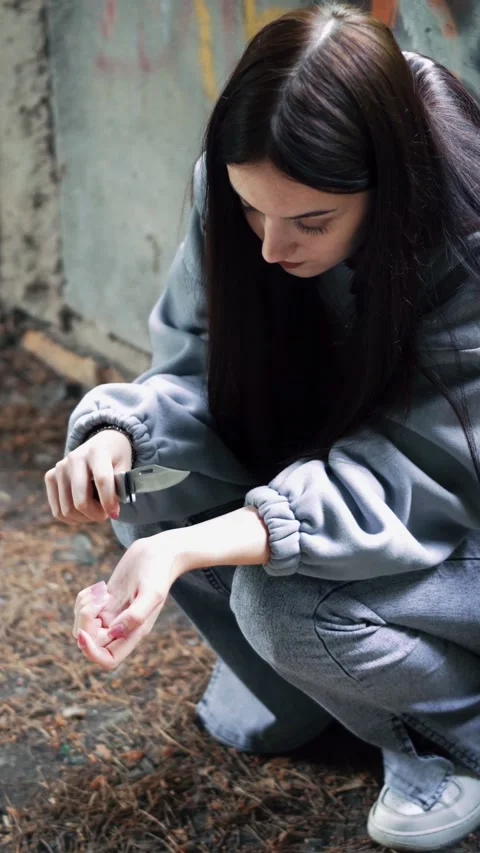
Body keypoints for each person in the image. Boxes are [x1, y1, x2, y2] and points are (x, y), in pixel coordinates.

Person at [45, 3, 480, 850]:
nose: (272, 247)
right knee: (143, 484)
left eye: (310, 222)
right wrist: (120, 436)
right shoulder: (250, 189)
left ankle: (453, 736)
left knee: (280, 602)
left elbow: (426, 473)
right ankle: (335, 702)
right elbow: (200, 363)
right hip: (355, 500)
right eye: (250, 211)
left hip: (457, 529)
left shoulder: (464, 223)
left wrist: (190, 549)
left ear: (387, 184)